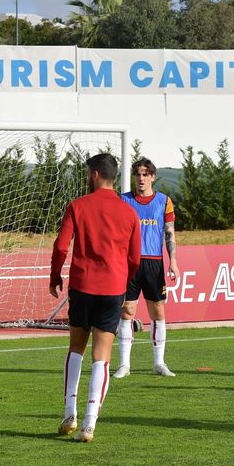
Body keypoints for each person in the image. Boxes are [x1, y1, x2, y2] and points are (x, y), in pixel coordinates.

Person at [50, 153, 140, 443]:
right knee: (102, 356)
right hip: (112, 288)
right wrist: (124, 282)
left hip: (83, 286)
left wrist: (55, 276)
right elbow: (135, 258)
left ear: (95, 174)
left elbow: (61, 246)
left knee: (76, 348)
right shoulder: (129, 212)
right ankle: (89, 423)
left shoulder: (78, 206)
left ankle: (69, 412)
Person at [115, 157, 180, 379]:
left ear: (152, 176)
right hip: (130, 263)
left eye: (145, 174)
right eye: (138, 174)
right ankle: (124, 365)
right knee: (127, 311)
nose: (141, 178)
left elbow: (169, 232)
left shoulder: (164, 201)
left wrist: (173, 261)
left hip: (154, 263)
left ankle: (159, 363)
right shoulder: (123, 201)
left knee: (158, 312)